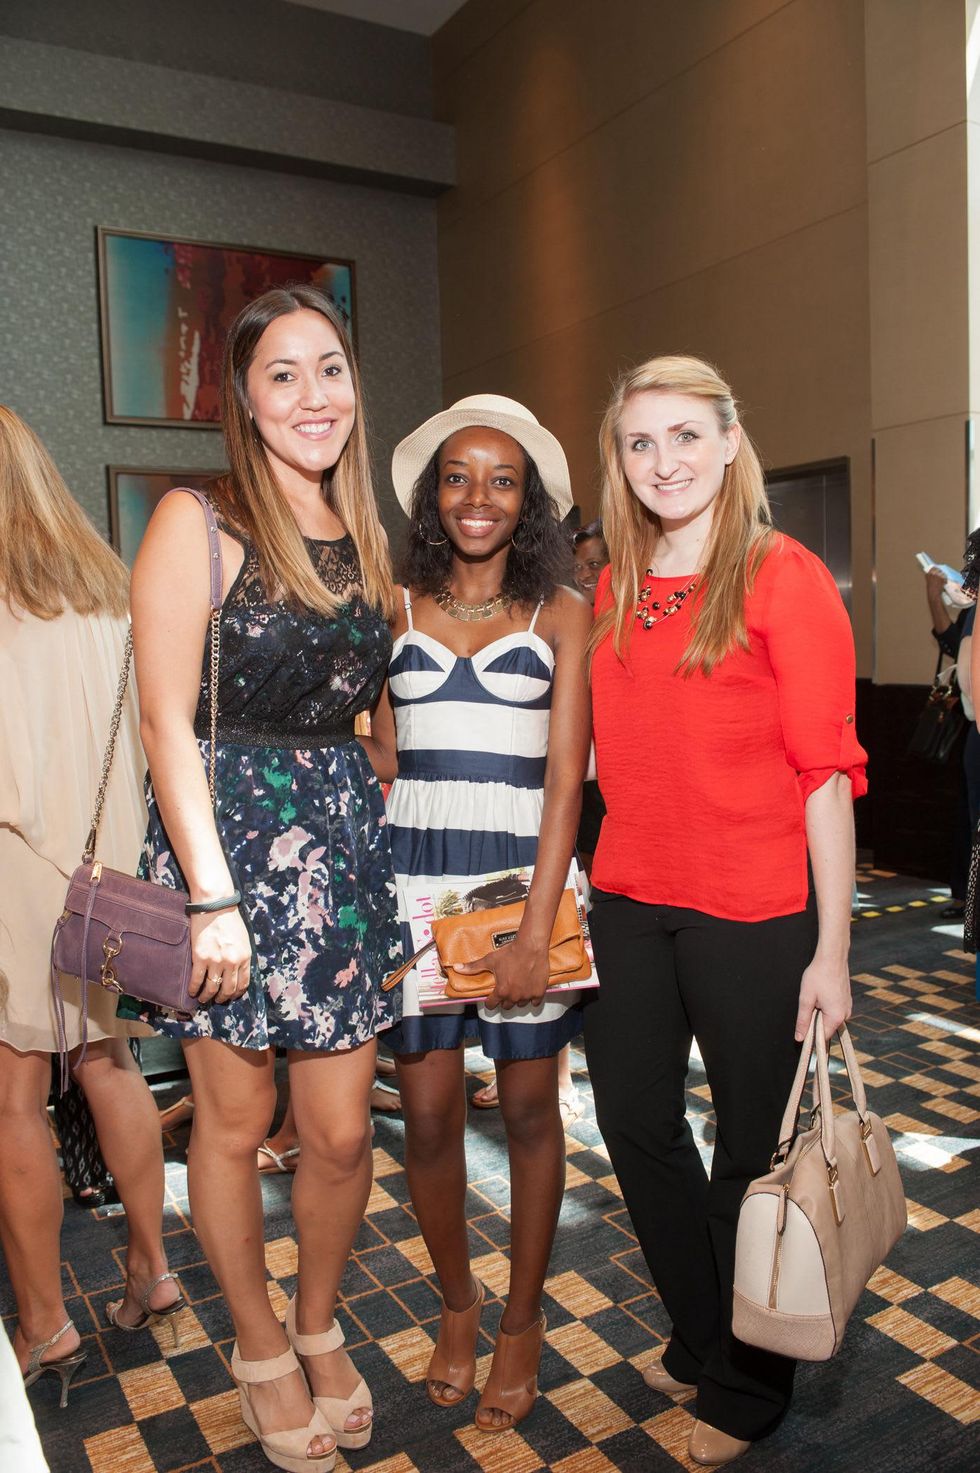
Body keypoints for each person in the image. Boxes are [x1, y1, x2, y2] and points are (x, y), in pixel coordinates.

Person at [129, 285, 400, 1471]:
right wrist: (210, 892)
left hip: (335, 845)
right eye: (281, 373)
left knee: (339, 1134)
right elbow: (160, 720)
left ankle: (317, 1320)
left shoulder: (367, 530)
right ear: (240, 397)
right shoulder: (197, 519)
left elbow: (368, 709)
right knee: (233, 1124)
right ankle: (256, 1344)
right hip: (224, 843)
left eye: (327, 367)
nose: (311, 395)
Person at [583, 357, 866, 1467]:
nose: (664, 462)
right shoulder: (609, 588)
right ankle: (706, 1329)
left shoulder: (780, 576)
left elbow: (824, 776)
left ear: (729, 441)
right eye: (640, 443)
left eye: (685, 436)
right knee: (633, 1121)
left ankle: (749, 1383)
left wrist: (832, 951)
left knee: (748, 1156)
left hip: (753, 912)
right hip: (627, 903)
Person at [367, 394, 592, 1431]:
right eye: (458, 476)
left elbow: (563, 787)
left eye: (501, 480)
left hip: (520, 878)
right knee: (422, 1117)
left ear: (528, 501)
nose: (477, 498)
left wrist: (534, 927)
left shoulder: (562, 613)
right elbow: (371, 750)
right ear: (432, 493)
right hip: (413, 873)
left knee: (536, 1111)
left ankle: (518, 1324)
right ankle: (456, 1306)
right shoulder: (393, 602)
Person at [0, 406, 177, 1409]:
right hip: (103, 884)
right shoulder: (115, 602)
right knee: (109, 1066)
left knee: (12, 1102)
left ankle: (42, 1318)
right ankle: (150, 1270)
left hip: (12, 878)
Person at [924, 563, 972, 917]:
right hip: (972, 729)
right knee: (967, 816)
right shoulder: (973, 613)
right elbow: (952, 642)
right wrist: (933, 593)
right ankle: (964, 897)